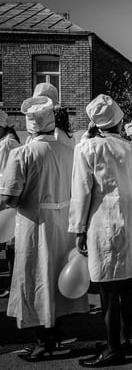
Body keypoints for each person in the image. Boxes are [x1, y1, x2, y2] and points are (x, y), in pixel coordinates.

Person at [0, 97, 89, 361]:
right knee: (57, 276)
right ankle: (56, 331)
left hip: (35, 223)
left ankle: (43, 340)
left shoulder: (23, 153)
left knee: (36, 277)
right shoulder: (69, 151)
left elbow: (9, 197)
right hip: (64, 223)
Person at [68, 94, 132, 367]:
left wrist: (79, 229)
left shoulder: (87, 148)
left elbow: (81, 192)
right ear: (119, 121)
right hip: (129, 219)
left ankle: (113, 347)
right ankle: (124, 339)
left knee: (107, 287)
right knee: (126, 284)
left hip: (102, 222)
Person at [0, 110, 20, 299]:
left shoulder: (8, 144)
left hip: (5, 198)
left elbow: (9, 174)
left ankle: (14, 282)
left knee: (10, 243)